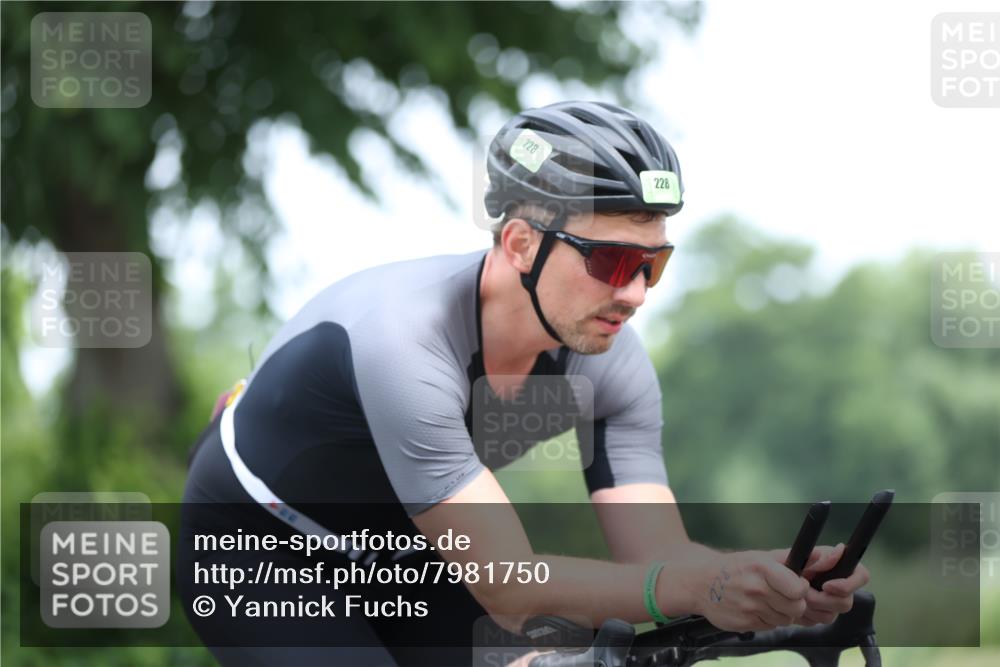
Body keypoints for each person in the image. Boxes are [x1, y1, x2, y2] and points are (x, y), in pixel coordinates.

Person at [179, 100, 868, 667]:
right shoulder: (406, 341)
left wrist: (758, 580)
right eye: (613, 260)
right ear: (519, 244)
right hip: (259, 545)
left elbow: (660, 561)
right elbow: (510, 586)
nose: (635, 294)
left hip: (402, 551)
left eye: (653, 265)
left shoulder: (611, 361)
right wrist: (697, 585)